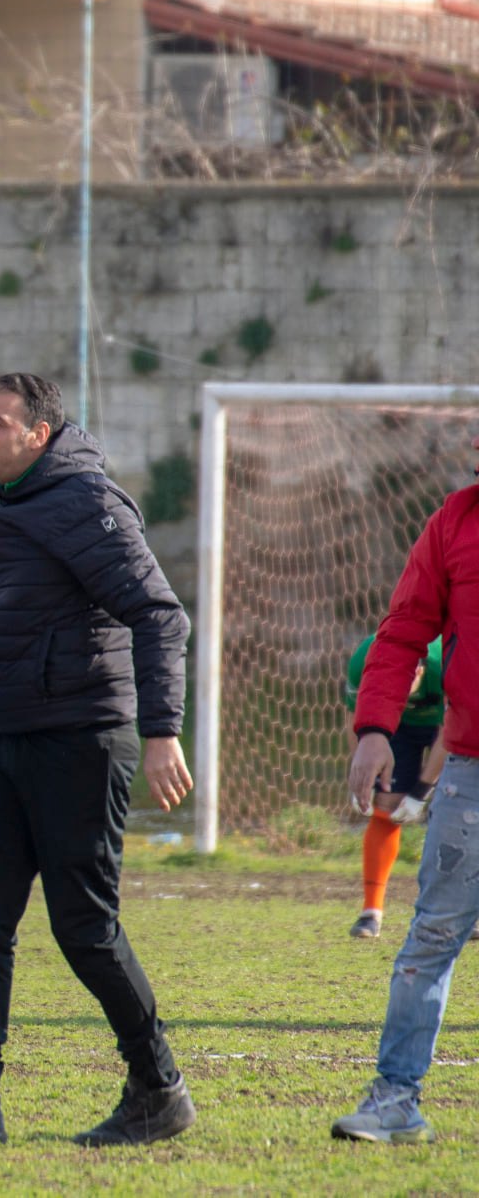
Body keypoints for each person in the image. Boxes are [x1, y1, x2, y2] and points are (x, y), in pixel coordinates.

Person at [0, 372, 197, 1150]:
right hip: (14, 740)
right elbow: (11, 623)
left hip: (82, 739)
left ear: (40, 435)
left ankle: (158, 1089)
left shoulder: (84, 501)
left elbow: (160, 616)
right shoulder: (9, 506)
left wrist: (162, 731)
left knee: (84, 928)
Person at [331, 425, 479, 1146]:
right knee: (433, 935)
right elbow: (401, 633)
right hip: (471, 775)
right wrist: (373, 729)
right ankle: (395, 1100)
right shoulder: (453, 521)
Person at [343, 634, 446, 940]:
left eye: (405, 681)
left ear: (420, 670)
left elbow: (452, 733)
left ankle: (467, 912)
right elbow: (354, 717)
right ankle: (371, 912)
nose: (397, 687)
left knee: (458, 809)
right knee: (386, 806)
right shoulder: (364, 659)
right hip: (393, 722)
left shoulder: (447, 662)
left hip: (452, 722)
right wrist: (362, 776)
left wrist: (422, 791)